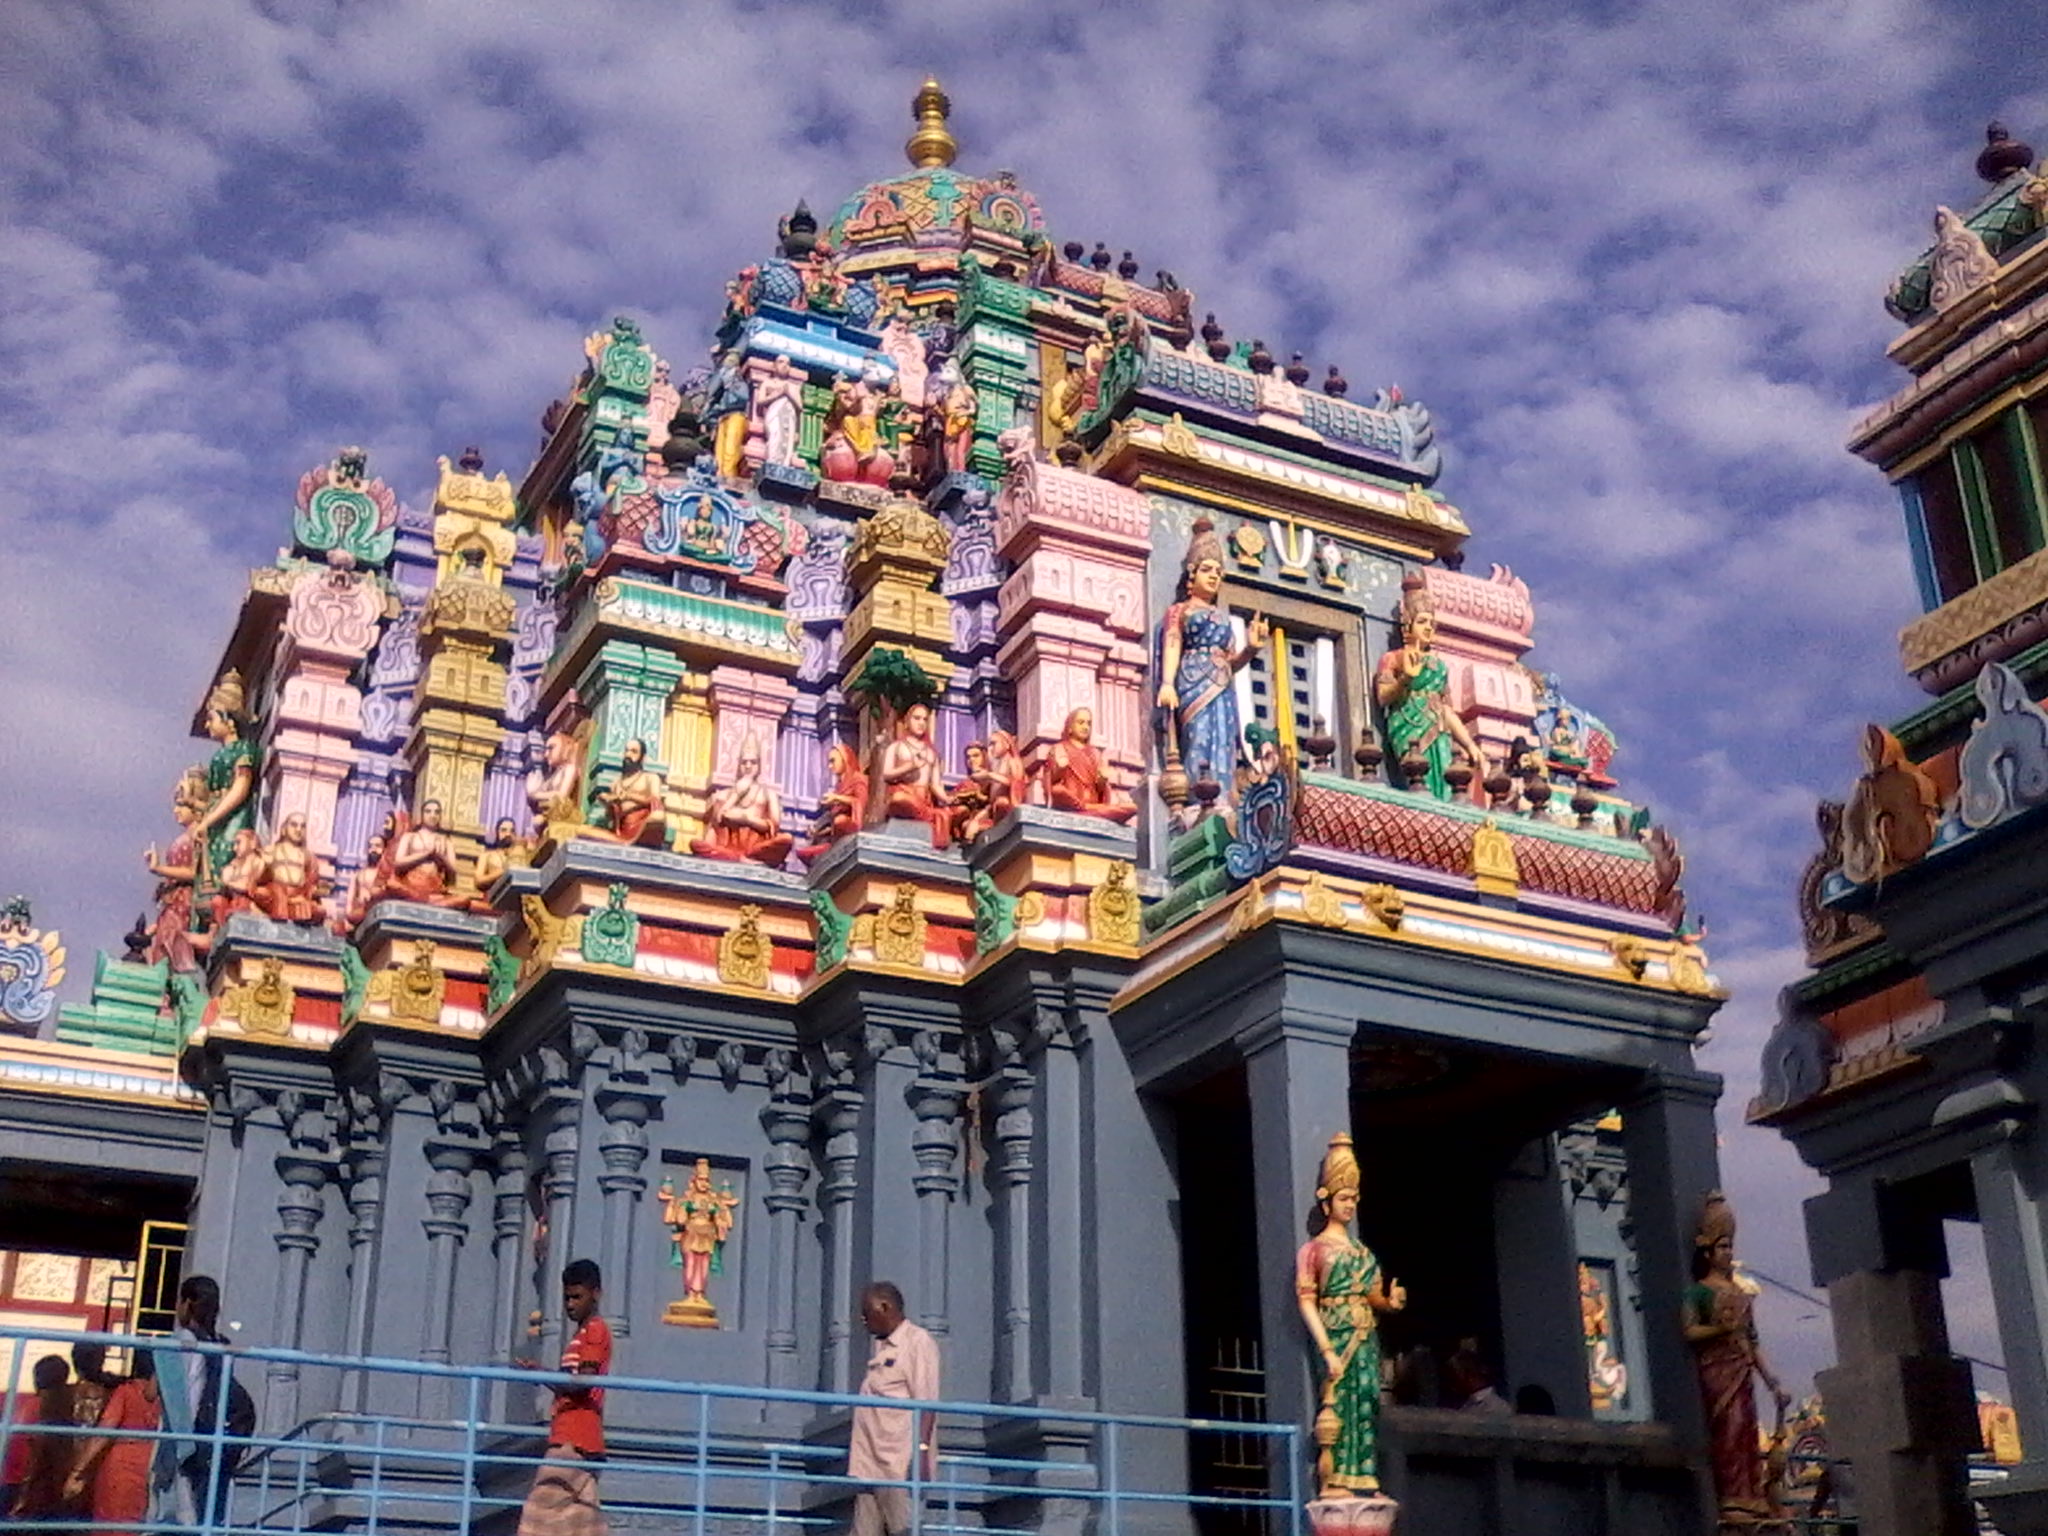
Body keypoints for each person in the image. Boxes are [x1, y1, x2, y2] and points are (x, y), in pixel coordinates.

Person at [515, 1260, 612, 1536]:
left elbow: (583, 1382)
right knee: (583, 1521)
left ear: (595, 1294)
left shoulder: (595, 1330)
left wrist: (546, 1375)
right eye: (567, 1297)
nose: (570, 1304)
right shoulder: (582, 1334)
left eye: (577, 1297)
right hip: (579, 1438)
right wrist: (541, 1372)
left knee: (538, 1509)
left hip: (575, 1439)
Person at [157, 1274, 252, 1529]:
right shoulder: (221, 1345)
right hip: (217, 1438)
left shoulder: (182, 1342)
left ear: (186, 1303)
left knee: (179, 1510)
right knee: (207, 1510)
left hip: (188, 1438)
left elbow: (174, 1393)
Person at [848, 1282, 940, 1536]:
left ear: (886, 1307)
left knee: (903, 1530)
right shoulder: (881, 1348)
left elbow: (927, 1402)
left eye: (867, 1312)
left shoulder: (916, 1342)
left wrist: (921, 1452)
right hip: (869, 1465)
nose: (862, 1319)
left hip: (899, 1466)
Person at [65, 1349, 160, 1536]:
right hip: (151, 1461)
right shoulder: (166, 1396)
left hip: (119, 1466)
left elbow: (105, 1430)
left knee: (111, 1519)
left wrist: (78, 1471)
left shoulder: (126, 1391)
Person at [6, 1355, 80, 1524]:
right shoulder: (68, 1405)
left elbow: (28, 1453)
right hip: (53, 1485)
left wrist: (23, 1497)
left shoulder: (33, 1407)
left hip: (21, 1484)